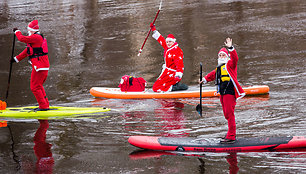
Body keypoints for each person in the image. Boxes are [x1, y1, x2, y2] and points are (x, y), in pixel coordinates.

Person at [199, 38, 245, 143]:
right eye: (220, 56)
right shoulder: (219, 68)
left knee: (229, 113)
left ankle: (231, 136)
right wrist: (204, 80)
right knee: (226, 114)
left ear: (227, 57)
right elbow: (212, 75)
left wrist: (230, 48)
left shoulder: (230, 65)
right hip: (222, 93)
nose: (221, 57)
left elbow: (235, 59)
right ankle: (229, 133)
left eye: (223, 55)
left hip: (230, 92)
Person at [12, 20, 50, 111]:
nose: (28, 31)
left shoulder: (36, 37)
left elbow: (22, 39)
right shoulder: (34, 39)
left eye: (29, 30)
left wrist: (17, 32)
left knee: (34, 87)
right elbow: (27, 51)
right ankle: (45, 105)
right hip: (40, 66)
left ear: (32, 30)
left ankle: (43, 106)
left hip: (40, 67)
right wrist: (16, 59)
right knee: (38, 86)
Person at [150, 23, 188, 92]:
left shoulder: (177, 51)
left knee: (156, 88)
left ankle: (175, 87)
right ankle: (174, 85)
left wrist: (178, 76)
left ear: (173, 42)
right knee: (156, 87)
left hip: (172, 74)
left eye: (170, 42)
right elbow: (161, 40)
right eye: (167, 42)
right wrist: (154, 30)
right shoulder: (168, 48)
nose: (168, 43)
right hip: (166, 72)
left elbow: (180, 64)